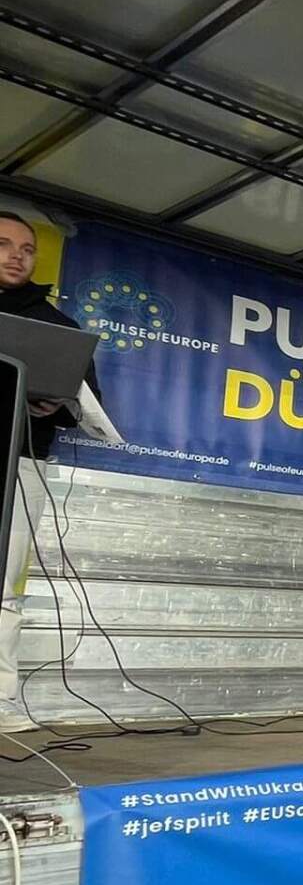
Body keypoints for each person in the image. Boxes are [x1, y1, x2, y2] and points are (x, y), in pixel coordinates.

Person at [0, 211, 108, 732]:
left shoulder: (59, 328)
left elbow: (89, 405)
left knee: (4, 590)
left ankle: (2, 701)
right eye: (3, 244)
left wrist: (56, 404)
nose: (16, 255)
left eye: (26, 248)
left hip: (20, 467)